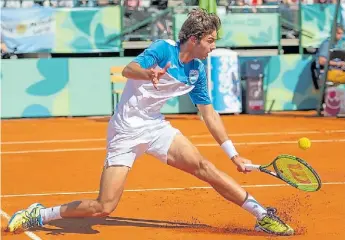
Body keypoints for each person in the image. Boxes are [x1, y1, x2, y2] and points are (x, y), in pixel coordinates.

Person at [6, 8, 294, 236]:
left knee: (205, 167)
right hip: (125, 131)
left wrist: (234, 155)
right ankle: (41, 214)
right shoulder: (163, 49)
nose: (213, 46)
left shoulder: (197, 69)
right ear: (193, 40)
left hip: (156, 128)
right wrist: (149, 74)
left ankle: (262, 215)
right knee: (104, 207)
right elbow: (129, 69)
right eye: (209, 40)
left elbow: (208, 112)